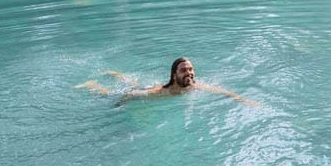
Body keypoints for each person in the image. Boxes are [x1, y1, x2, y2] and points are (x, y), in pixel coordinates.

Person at [79, 58, 260, 106]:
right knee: (114, 92)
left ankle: (116, 73)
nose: (188, 73)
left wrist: (244, 100)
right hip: (147, 89)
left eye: (190, 69)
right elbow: (132, 94)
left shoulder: (196, 87)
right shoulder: (162, 93)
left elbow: (225, 93)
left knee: (132, 82)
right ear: (174, 76)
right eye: (183, 70)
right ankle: (92, 85)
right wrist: (120, 104)